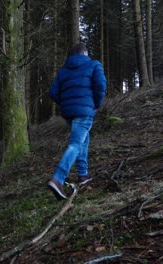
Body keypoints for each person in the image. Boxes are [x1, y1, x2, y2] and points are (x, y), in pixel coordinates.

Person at [48, 43, 107, 199]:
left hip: (69, 113)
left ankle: (83, 175)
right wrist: (96, 104)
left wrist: (66, 103)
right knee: (75, 143)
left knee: (83, 139)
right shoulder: (93, 64)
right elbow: (101, 85)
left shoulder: (63, 71)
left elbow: (53, 92)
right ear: (85, 53)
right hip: (85, 110)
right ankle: (58, 179)